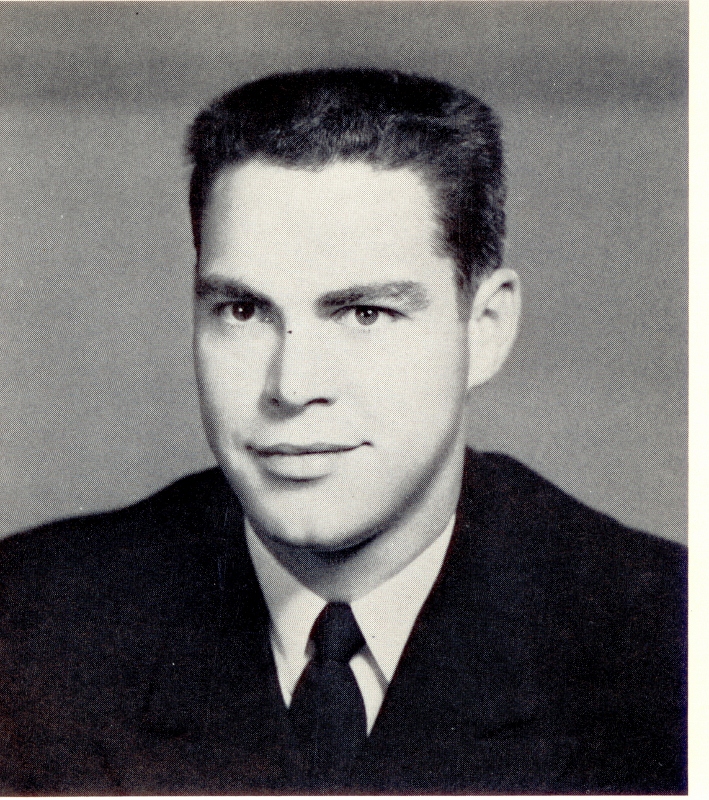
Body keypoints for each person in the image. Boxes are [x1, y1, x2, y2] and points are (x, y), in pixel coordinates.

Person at [0, 69, 686, 794]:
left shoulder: (666, 645)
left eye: (365, 314)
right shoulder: (28, 624)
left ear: (484, 330)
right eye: (242, 311)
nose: (292, 386)